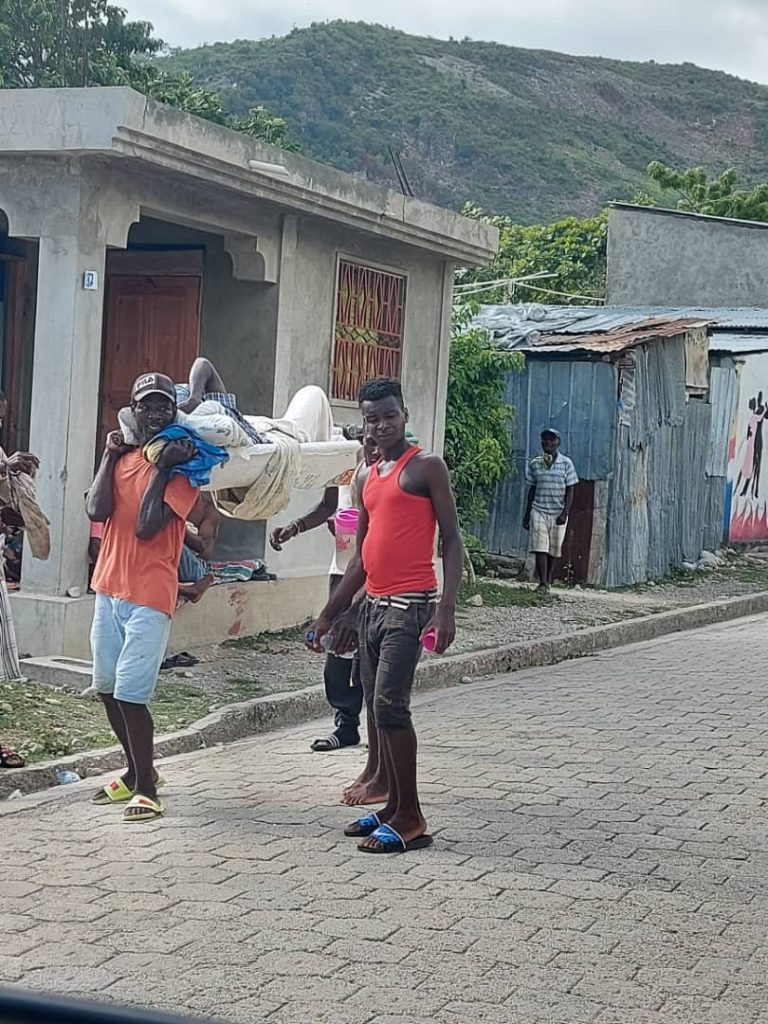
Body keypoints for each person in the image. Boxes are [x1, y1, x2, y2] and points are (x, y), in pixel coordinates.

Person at [308, 378, 463, 854]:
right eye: (372, 418)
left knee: (391, 708)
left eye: (389, 415)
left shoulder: (427, 468)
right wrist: (332, 614)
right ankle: (392, 805)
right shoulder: (365, 476)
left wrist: (446, 610)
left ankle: (412, 818)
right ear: (364, 421)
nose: (381, 425)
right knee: (376, 710)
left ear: (405, 414)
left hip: (410, 609)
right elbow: (361, 559)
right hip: (373, 608)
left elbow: (452, 542)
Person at [87, 372, 199, 823]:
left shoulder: (186, 469)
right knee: (108, 690)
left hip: (150, 594)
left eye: (164, 406)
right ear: (134, 411)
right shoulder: (124, 457)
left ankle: (149, 788)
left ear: (175, 411)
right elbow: (96, 509)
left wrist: (166, 468)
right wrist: (109, 456)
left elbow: (147, 526)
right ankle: (135, 772)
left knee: (132, 696)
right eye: (147, 406)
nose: (155, 415)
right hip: (108, 586)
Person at [271, 434, 380, 753]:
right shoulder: (344, 465)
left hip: (377, 568)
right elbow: (328, 507)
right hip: (344, 567)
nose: (368, 447)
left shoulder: (393, 472)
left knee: (370, 647)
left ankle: (381, 731)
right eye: (362, 440)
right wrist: (295, 527)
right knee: (337, 647)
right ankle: (345, 724)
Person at [523, 428, 578, 593]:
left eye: (552, 440)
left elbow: (570, 490)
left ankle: (548, 579)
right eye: (545, 439)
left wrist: (565, 512)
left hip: (558, 512)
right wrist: (527, 515)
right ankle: (543, 583)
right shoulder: (535, 463)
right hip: (539, 509)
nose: (548, 442)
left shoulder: (566, 463)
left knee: (554, 548)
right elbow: (532, 490)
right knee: (540, 547)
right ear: (541, 443)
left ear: (558, 443)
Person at [177, 493, 220, 605]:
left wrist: (178, 527)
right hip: (167, 566)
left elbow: (205, 550)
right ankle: (198, 585)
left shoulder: (208, 510)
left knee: (170, 537)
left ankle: (199, 584)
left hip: (193, 569)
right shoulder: (166, 501)